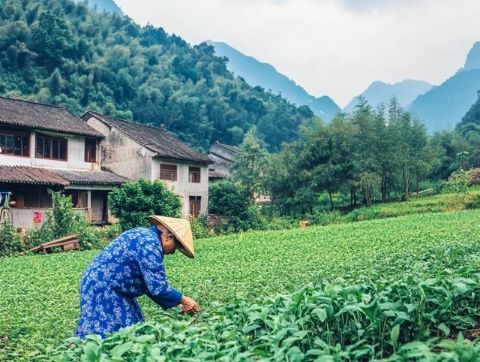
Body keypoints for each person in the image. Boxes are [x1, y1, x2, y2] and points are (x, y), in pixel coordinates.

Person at [75, 215, 200, 338]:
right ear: (168, 237)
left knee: (133, 324)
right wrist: (184, 300)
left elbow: (148, 285)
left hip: (104, 285)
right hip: (104, 287)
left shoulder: (143, 235)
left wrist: (177, 301)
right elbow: (158, 287)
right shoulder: (150, 244)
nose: (172, 252)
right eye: (176, 247)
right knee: (111, 332)